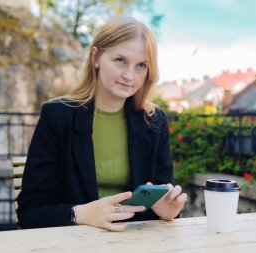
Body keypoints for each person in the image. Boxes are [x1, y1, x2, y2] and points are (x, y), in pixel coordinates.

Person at [17, 16, 187, 231]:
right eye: (120, 60)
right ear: (96, 56)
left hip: (133, 243)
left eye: (141, 66)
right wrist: (80, 213)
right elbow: (30, 212)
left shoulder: (154, 121)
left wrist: (168, 211)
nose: (129, 76)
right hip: (73, 242)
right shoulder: (57, 116)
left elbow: (161, 203)